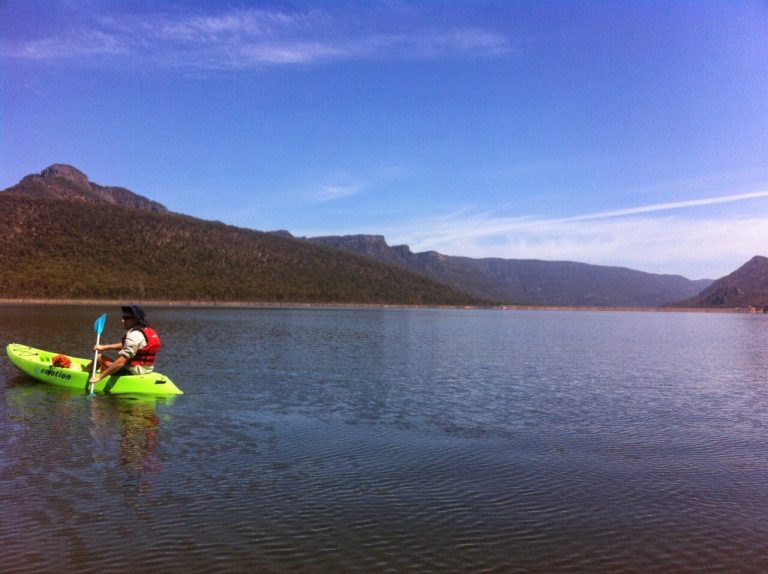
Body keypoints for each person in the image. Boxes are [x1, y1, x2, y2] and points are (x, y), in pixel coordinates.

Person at [88, 305, 162, 385]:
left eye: (126, 318)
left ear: (135, 320)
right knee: (105, 358)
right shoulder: (147, 330)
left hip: (134, 370)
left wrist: (100, 377)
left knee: (99, 357)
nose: (122, 320)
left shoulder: (134, 335)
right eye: (123, 317)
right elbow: (126, 345)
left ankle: (86, 373)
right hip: (147, 369)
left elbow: (121, 362)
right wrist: (104, 347)